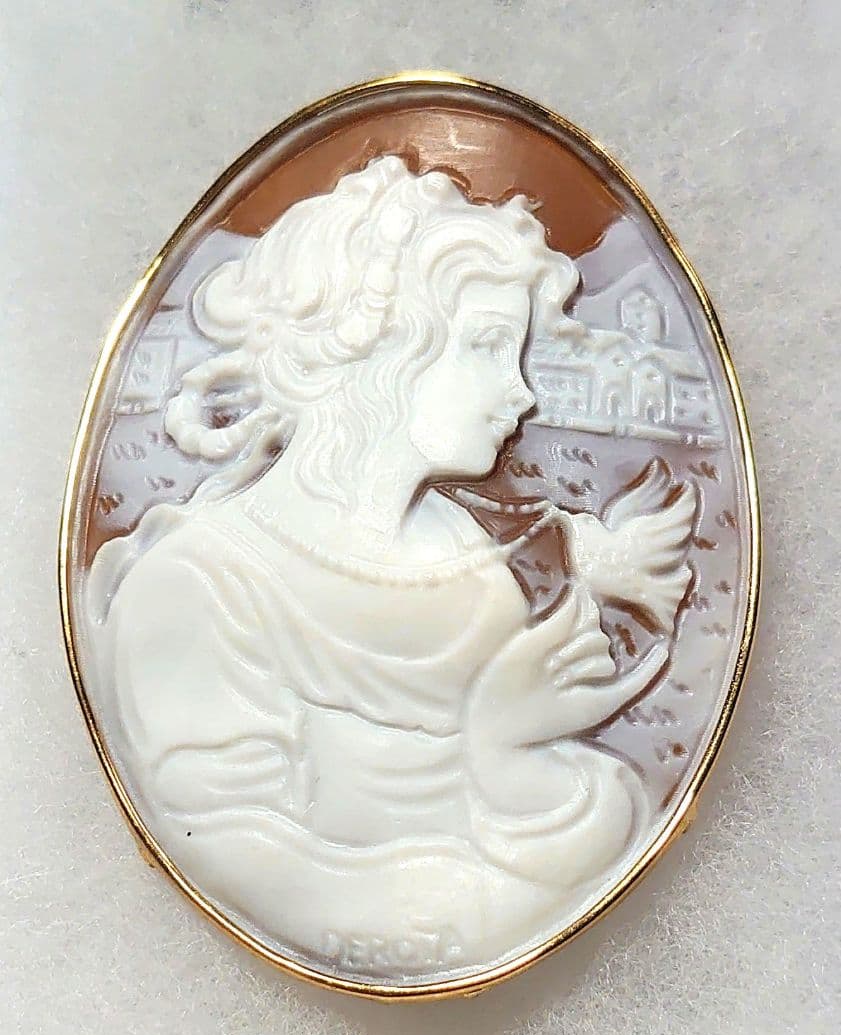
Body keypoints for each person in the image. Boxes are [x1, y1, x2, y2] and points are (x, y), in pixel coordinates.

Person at [87, 156, 695, 974]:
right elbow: (252, 865)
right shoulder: (198, 588)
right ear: (376, 350)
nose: (520, 394)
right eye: (486, 347)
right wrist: (496, 744)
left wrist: (508, 758)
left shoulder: (472, 562)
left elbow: (591, 815)